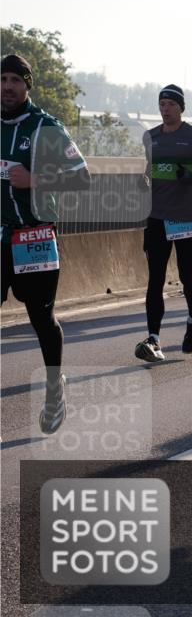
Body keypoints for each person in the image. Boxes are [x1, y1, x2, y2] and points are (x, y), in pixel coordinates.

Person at [1, 54, 90, 434]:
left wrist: (36, 178)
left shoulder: (46, 127)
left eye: (15, 80)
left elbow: (82, 177)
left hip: (34, 236)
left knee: (41, 318)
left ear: (27, 85)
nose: (7, 87)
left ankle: (55, 388)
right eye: (2, 79)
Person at [135, 85, 192, 362]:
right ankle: (154, 340)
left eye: (171, 104)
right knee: (155, 280)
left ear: (180, 107)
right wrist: (144, 180)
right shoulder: (150, 137)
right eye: (161, 103)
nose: (165, 108)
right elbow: (151, 169)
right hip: (157, 217)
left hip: (185, 218)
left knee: (187, 277)